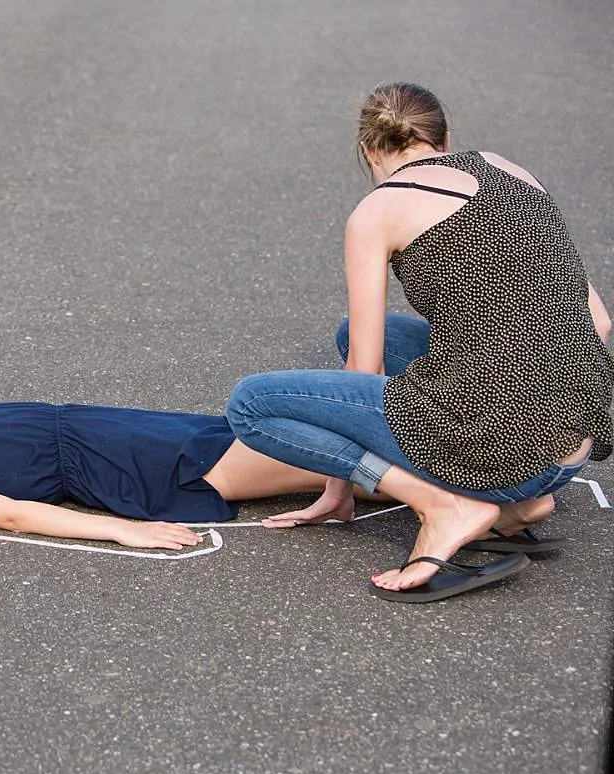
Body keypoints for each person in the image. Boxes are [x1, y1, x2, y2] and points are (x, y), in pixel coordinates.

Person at [226, 81, 613, 602]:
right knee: (377, 337)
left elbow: (365, 367)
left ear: (367, 150)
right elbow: (599, 321)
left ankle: (450, 507)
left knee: (250, 404)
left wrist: (338, 485)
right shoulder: (509, 169)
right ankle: (514, 511)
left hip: (510, 453)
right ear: (445, 137)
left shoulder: (378, 210)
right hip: (573, 444)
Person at [0, 390, 379, 550]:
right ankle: (459, 482)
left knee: (319, 441)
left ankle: (455, 455)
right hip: (141, 463)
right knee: (329, 458)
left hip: (136, 433)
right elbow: (16, 515)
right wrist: (122, 529)